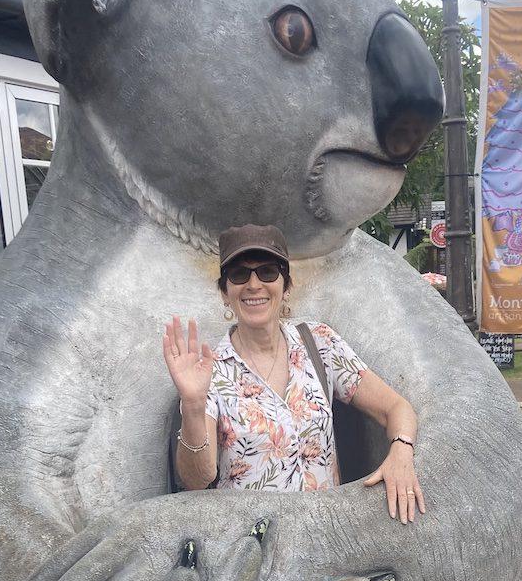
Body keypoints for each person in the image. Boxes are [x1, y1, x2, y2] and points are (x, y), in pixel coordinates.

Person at [163, 223, 425, 523]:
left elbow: (396, 408)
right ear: (225, 293)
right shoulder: (211, 370)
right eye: (238, 275)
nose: (253, 284)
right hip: (252, 550)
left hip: (324, 539)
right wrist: (194, 405)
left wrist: (401, 451)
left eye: (267, 272)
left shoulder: (319, 343)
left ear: (286, 287)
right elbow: (196, 480)